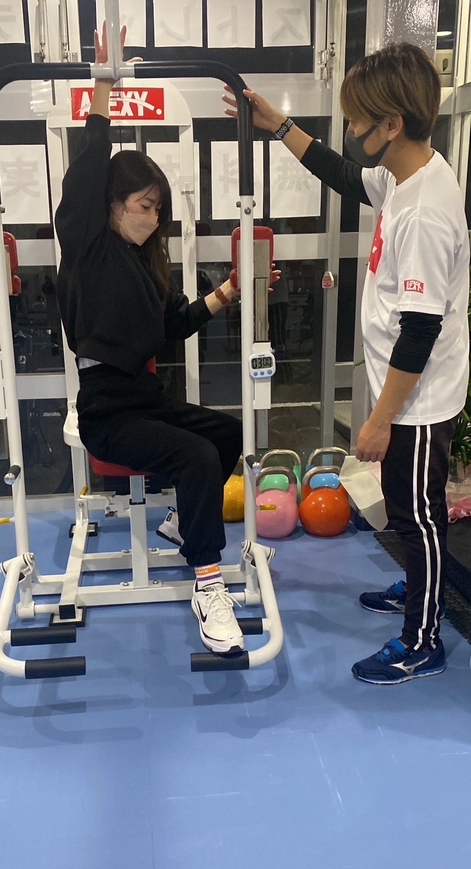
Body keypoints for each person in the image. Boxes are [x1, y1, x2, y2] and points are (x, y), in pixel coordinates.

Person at [224, 43, 470, 684]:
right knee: (409, 510)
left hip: (418, 398)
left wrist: (380, 421)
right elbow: (343, 174)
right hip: (405, 391)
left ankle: (422, 639)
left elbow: (420, 332)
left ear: (392, 124)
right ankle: (419, 587)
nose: (351, 127)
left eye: (359, 118)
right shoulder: (404, 174)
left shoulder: (425, 212)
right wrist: (279, 125)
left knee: (418, 516)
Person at [55, 25, 245, 655]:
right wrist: (102, 88)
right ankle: (208, 585)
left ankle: (181, 525)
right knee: (196, 459)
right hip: (106, 410)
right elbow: (88, 170)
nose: (154, 216)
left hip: (146, 397)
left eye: (159, 207)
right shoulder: (88, 245)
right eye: (144, 205)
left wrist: (222, 296)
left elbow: (171, 325)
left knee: (225, 435)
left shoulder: (146, 266)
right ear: (112, 206)